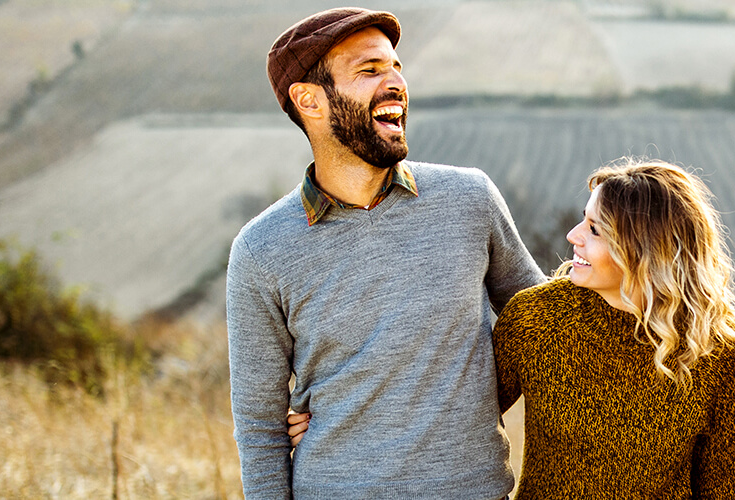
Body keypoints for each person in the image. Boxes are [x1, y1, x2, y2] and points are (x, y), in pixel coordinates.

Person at [227, 8, 545, 499]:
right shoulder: (261, 249)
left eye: (396, 66)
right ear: (309, 100)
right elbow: (259, 430)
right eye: (370, 70)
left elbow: (548, 323)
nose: (396, 82)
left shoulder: (470, 199)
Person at [290, 161, 735, 498]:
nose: (573, 236)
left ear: (644, 249)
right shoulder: (539, 318)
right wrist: (339, 419)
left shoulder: (718, 346)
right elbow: (455, 409)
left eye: (594, 229)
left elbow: (721, 485)